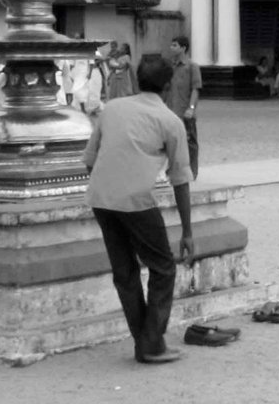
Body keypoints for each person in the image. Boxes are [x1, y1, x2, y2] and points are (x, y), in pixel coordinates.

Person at [83, 54, 195, 366]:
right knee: (163, 268)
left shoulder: (112, 108)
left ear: (136, 79)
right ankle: (151, 343)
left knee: (125, 273)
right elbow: (180, 180)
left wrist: (108, 186)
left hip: (101, 198)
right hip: (136, 201)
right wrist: (187, 231)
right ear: (168, 85)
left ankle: (145, 341)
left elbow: (90, 159)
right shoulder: (171, 122)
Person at [162, 35, 203, 175]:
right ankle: (173, 168)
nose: (171, 48)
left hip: (185, 111)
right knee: (171, 142)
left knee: (190, 142)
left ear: (183, 48)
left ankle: (191, 171)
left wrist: (191, 108)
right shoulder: (170, 67)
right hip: (171, 110)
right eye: (171, 45)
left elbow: (195, 89)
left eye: (175, 45)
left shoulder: (192, 67)